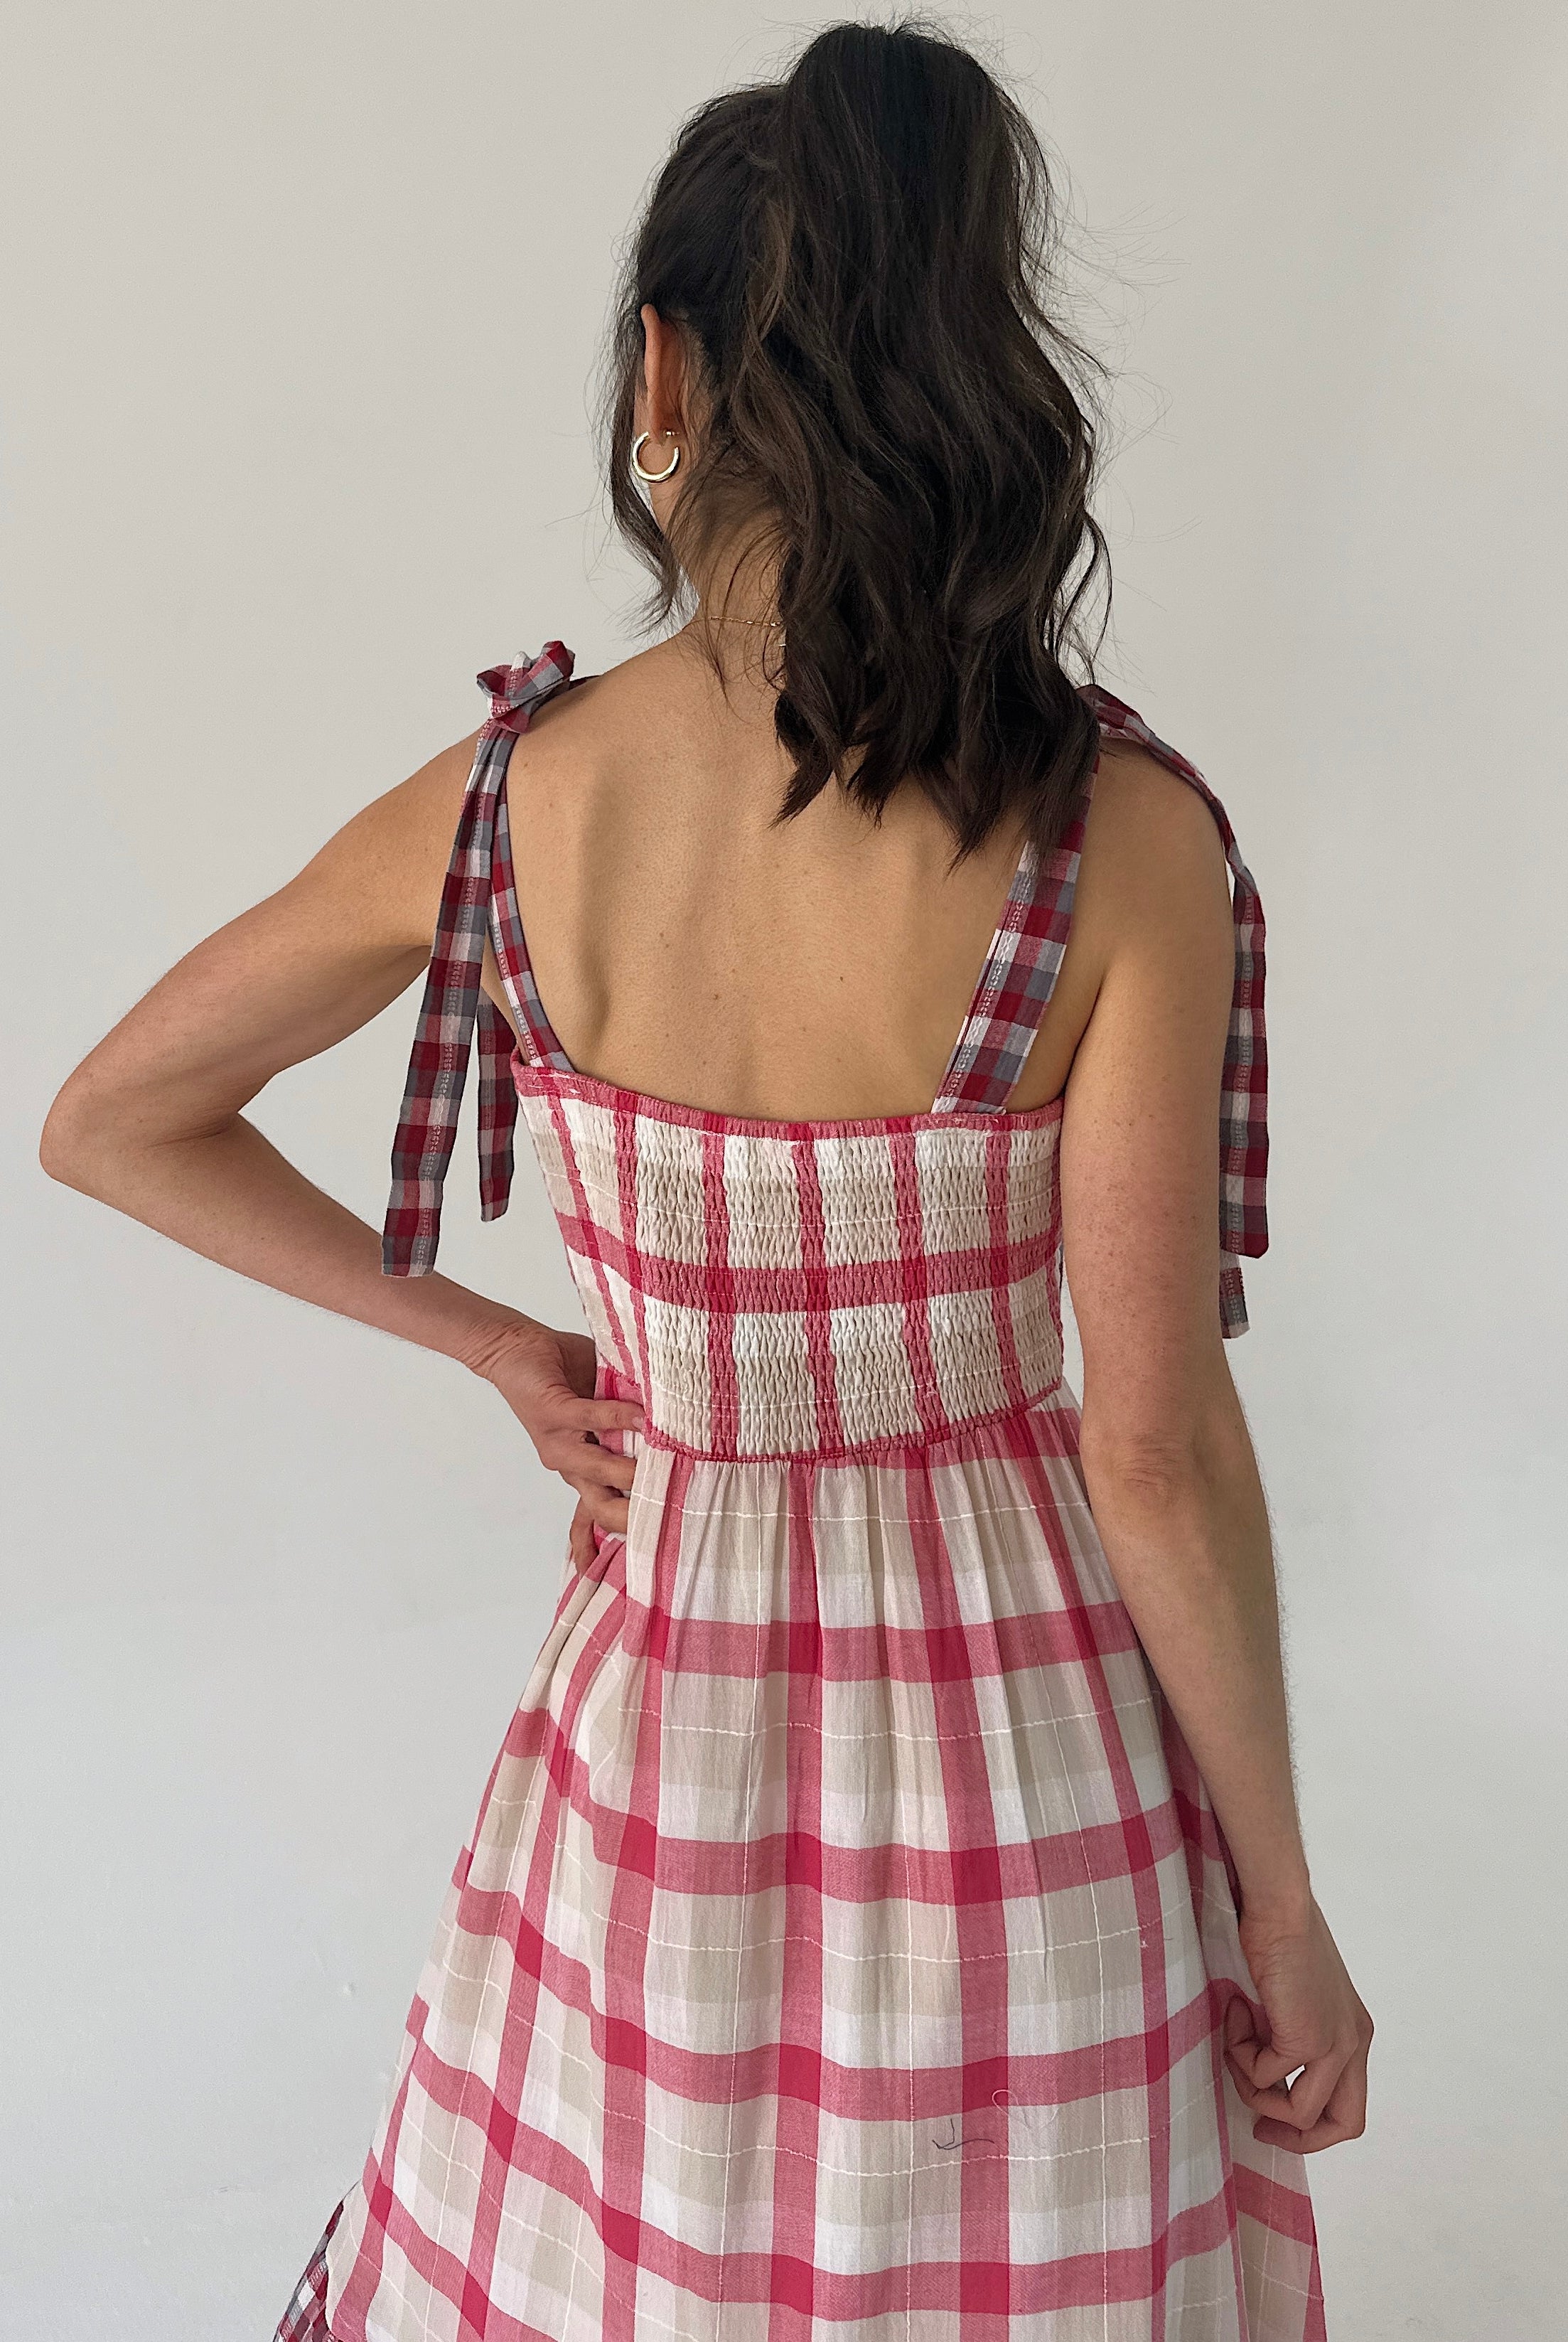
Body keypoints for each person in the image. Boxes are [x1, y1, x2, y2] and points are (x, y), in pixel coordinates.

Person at [39, 19, 1370, 2340]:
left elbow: (111, 1112)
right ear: (984, 380)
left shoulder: (514, 802)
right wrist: (1286, 1904)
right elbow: (1151, 1456)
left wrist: (499, 1348)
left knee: (637, 2249)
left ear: (662, 376)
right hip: (1025, 1763)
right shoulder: (1117, 843)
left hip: (664, 1732)